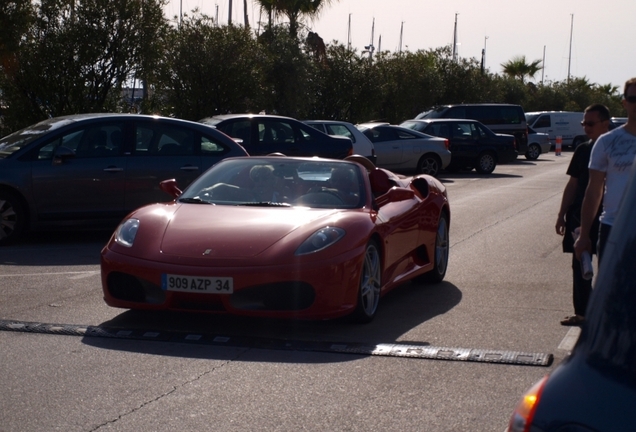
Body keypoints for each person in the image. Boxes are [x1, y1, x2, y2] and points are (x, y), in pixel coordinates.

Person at [555, 104, 609, 326]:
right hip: (580, 216)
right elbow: (573, 184)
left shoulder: (616, 148)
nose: (586, 127)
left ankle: (607, 314)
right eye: (583, 123)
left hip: (609, 216)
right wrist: (561, 214)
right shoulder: (583, 150)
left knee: (609, 266)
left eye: (590, 123)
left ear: (605, 123)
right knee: (580, 264)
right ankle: (582, 313)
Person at [575, 77, 636, 267]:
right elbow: (594, 191)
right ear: (625, 102)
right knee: (612, 294)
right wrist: (584, 235)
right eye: (633, 99)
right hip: (614, 228)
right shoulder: (606, 142)